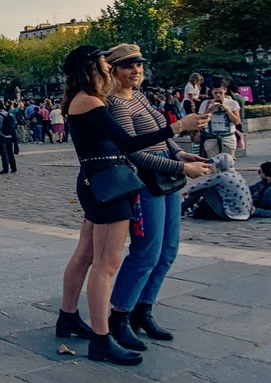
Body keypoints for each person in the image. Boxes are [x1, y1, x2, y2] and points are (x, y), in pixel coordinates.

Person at [56, 45, 206, 366]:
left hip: (99, 180)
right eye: (104, 64)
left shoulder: (85, 99)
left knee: (86, 255)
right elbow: (129, 143)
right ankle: (101, 338)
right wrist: (179, 126)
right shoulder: (91, 101)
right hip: (108, 183)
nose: (109, 69)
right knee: (105, 265)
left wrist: (175, 147)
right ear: (90, 68)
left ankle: (68, 318)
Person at [105, 44, 211, 351]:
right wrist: (180, 166)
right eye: (128, 66)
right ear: (113, 71)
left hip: (166, 178)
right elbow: (134, 152)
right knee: (146, 252)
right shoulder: (117, 104)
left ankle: (143, 309)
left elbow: (159, 132)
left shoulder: (139, 96)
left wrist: (179, 151)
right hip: (146, 183)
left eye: (138, 65)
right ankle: (120, 315)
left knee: (168, 250)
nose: (135, 71)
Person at [198, 77, 242, 158]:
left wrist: (228, 110)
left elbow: (237, 122)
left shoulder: (232, 103)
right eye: (215, 93)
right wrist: (209, 110)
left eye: (220, 92)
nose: (218, 95)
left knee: (228, 164)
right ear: (212, 92)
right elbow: (200, 122)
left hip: (228, 138)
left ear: (225, 90)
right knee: (213, 165)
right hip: (211, 138)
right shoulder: (205, 103)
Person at [0, 101, 17, 174]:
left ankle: (5, 168)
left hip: (1, 135)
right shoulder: (9, 114)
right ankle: (13, 167)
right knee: (10, 152)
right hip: (10, 136)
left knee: (3, 153)